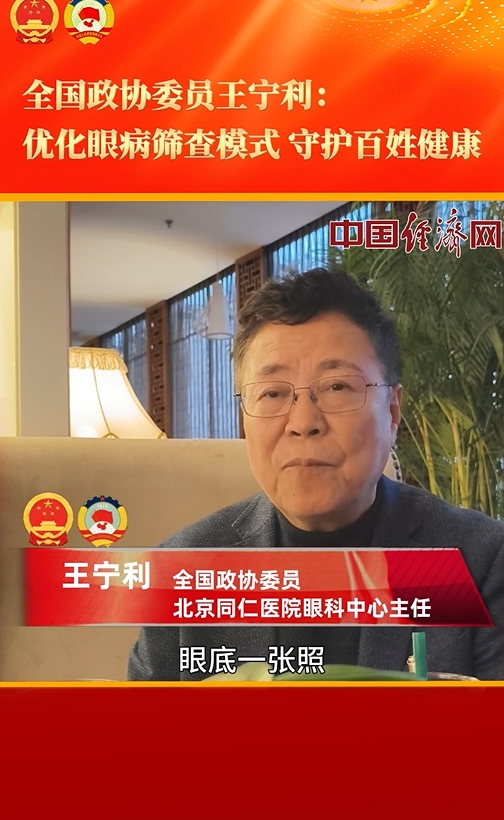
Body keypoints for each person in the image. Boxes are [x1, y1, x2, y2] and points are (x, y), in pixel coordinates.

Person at [128, 268, 504, 681]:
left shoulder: (482, 560)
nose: (303, 422)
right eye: (272, 393)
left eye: (337, 387)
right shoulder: (181, 573)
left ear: (392, 412)